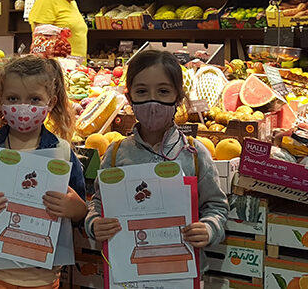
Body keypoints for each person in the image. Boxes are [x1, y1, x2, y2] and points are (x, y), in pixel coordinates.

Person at [85, 50, 229, 281]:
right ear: (130, 98)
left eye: (163, 91)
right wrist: (94, 224)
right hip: (128, 275)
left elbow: (217, 207)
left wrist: (209, 228)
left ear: (178, 98)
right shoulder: (115, 154)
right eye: (142, 91)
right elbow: (99, 203)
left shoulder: (194, 154)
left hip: (182, 276)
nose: (152, 102)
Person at [0, 55, 86, 289]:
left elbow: (81, 210)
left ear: (51, 102)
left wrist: (76, 208)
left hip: (44, 278)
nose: (23, 107)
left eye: (34, 99)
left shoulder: (61, 152)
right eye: (13, 98)